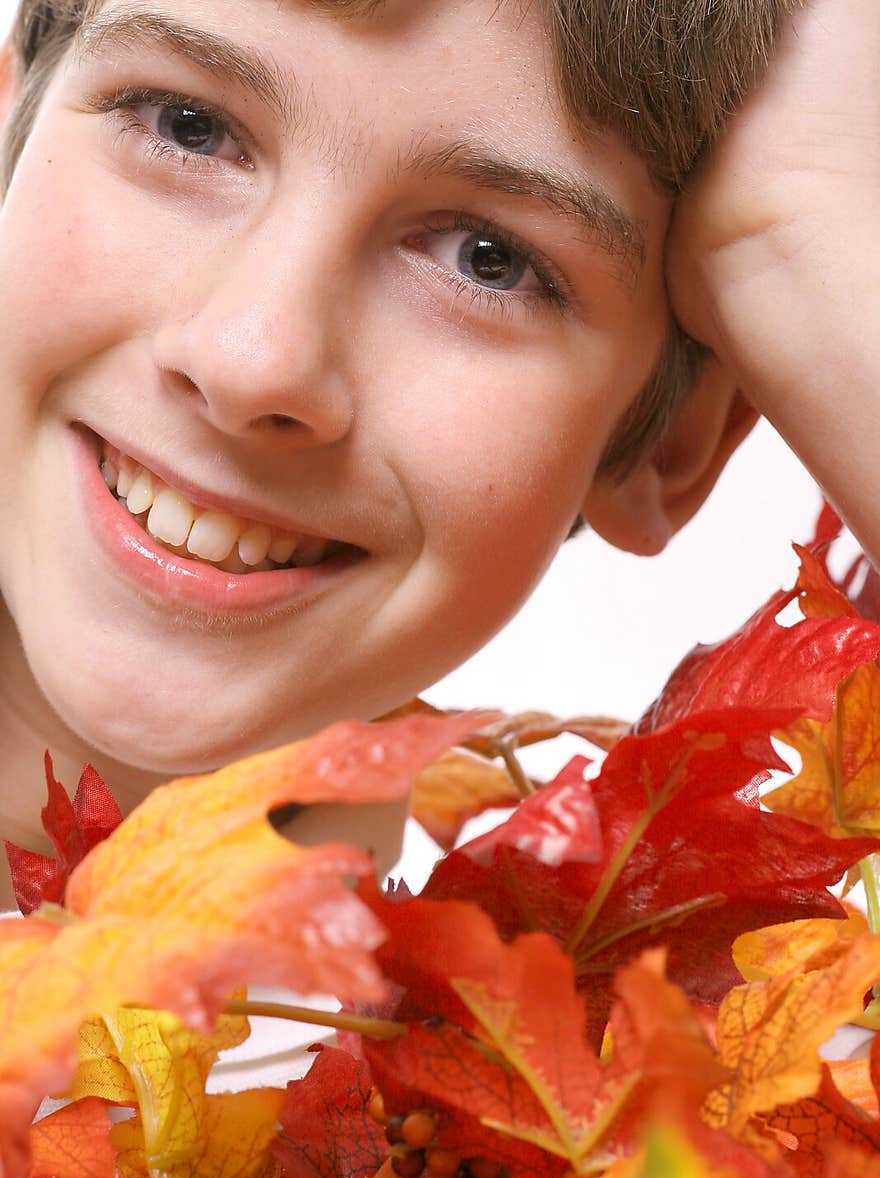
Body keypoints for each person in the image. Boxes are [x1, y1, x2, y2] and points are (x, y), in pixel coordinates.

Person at [0, 2, 870, 922]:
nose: (254, 360)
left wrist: (807, 229)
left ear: (672, 442)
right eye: (190, 128)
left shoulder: (673, 1049)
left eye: (486, 261)